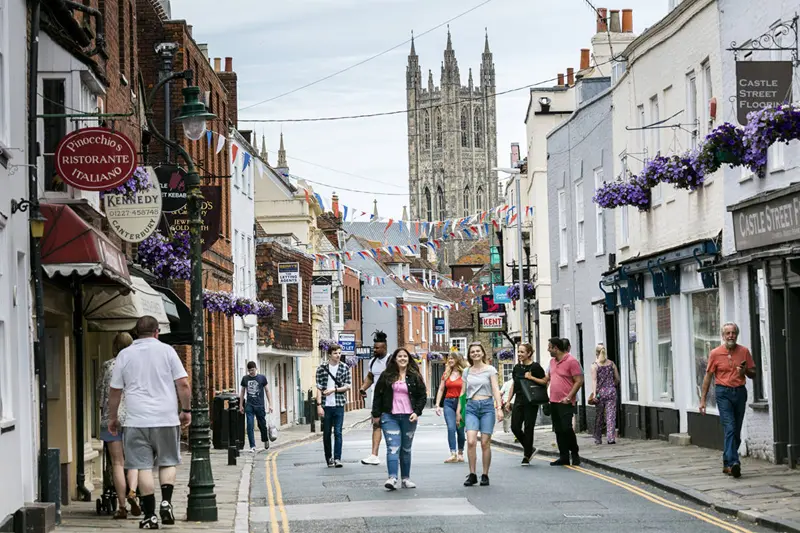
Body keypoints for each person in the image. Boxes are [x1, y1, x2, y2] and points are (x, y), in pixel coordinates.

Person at [108, 316, 192, 529]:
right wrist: (186, 410)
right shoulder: (167, 351)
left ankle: (150, 516)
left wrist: (113, 417)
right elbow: (183, 383)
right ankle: (166, 502)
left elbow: (115, 391)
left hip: (136, 420)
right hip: (166, 417)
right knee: (167, 462)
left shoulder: (124, 355)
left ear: (137, 333)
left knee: (142, 466)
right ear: (157, 332)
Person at [700, 322, 756, 478]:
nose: (730, 335)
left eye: (733, 333)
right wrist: (703, 400)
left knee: (736, 431)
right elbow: (708, 376)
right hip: (723, 392)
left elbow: (753, 373)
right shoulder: (715, 353)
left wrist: (745, 370)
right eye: (727, 333)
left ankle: (727, 463)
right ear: (723, 336)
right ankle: (734, 463)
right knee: (730, 427)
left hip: (739, 392)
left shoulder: (744, 351)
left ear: (736, 334)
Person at [97, 332, 141, 519]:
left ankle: (121, 506)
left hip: (111, 419)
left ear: (115, 346)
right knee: (134, 461)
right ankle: (133, 491)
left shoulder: (108, 366)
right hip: (133, 419)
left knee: (116, 463)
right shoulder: (138, 367)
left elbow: (100, 393)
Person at [371, 348, 427, 490]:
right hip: (390, 416)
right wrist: (376, 415)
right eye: (399, 356)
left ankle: (406, 479)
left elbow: (422, 396)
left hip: (409, 417)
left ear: (408, 359)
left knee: (406, 449)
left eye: (405, 356)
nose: (402, 358)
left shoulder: (415, 376)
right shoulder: (386, 376)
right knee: (393, 447)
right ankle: (392, 478)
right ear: (394, 359)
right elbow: (378, 395)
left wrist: (417, 412)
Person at [457, 342, 504, 487]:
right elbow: (463, 393)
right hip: (471, 407)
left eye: (478, 351)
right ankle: (472, 474)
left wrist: (499, 407)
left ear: (483, 353)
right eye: (472, 352)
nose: (475, 353)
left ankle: (485, 474)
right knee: (471, 441)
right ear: (469, 355)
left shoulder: (490, 370)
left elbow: (495, 389)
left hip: (487, 407)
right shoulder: (466, 371)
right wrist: (459, 411)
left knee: (485, 442)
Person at [545, 337, 584, 466]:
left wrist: (569, 397)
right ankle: (563, 456)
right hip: (554, 401)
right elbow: (547, 379)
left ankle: (574, 453)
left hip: (566, 402)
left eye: (550, 347)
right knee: (558, 429)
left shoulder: (571, 361)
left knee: (567, 428)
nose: (548, 349)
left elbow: (579, 381)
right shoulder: (551, 362)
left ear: (556, 348)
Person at [507, 343, 546, 465]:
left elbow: (545, 381)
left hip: (531, 400)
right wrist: (508, 401)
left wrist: (532, 378)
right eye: (518, 352)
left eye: (522, 352)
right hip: (519, 399)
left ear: (529, 353)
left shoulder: (535, 367)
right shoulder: (517, 368)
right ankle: (530, 448)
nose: (519, 354)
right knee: (515, 427)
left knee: (529, 427)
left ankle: (526, 455)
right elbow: (514, 385)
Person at [315, 345, 352, 467]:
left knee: (338, 432)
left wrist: (334, 390)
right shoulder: (321, 368)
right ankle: (329, 458)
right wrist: (319, 405)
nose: (338, 355)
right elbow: (319, 388)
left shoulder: (344, 367)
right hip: (326, 406)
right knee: (326, 434)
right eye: (335, 353)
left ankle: (337, 458)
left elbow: (348, 386)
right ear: (329, 354)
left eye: (339, 353)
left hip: (339, 404)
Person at [358, 330, 390, 465]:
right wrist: (363, 388)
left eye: (377, 348)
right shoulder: (372, 361)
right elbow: (370, 377)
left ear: (385, 348)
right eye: (374, 347)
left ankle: (394, 453)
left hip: (389, 398)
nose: (375, 350)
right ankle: (374, 455)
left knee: (390, 426)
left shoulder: (390, 361)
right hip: (376, 399)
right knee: (376, 425)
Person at [434, 351, 467, 463]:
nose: (450, 361)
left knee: (460, 429)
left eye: (452, 358)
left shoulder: (465, 374)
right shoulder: (446, 374)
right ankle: (453, 453)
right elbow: (441, 389)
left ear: (458, 360)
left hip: (461, 402)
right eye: (449, 359)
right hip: (448, 402)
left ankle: (460, 452)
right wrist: (438, 404)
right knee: (451, 428)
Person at [239, 361, 274, 452]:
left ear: (256, 368)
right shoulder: (245, 379)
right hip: (249, 405)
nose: (251, 372)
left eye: (253, 370)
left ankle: (265, 439)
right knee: (249, 425)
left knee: (262, 425)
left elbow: (267, 391)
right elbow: (242, 392)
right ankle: (252, 446)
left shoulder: (262, 378)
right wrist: (241, 405)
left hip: (260, 406)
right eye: (249, 370)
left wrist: (270, 404)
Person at [590, 344, 620, 445]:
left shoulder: (595, 365)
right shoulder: (611, 364)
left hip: (600, 393)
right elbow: (617, 378)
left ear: (596, 353)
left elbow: (594, 381)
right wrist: (612, 386)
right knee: (611, 415)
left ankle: (598, 438)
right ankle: (611, 438)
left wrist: (594, 394)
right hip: (611, 391)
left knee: (599, 415)